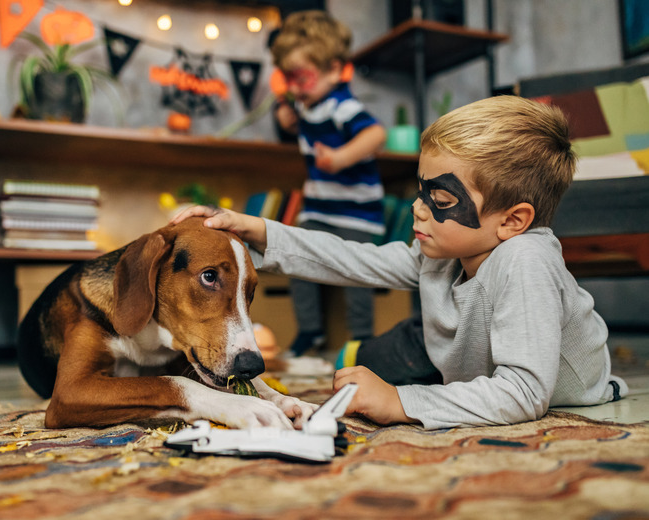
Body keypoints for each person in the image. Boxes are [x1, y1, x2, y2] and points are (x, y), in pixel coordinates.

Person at [172, 95, 628, 429]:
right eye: (421, 190)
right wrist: (261, 230)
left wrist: (401, 402)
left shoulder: (526, 262)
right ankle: (370, 353)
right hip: (461, 351)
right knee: (371, 361)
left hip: (550, 386)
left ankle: (398, 363)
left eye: (442, 198)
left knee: (394, 380)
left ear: (513, 221)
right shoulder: (444, 252)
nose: (418, 208)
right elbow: (356, 260)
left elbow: (526, 394)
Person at [270, 10, 387, 355]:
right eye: (287, 78)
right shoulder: (310, 106)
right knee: (296, 260)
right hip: (319, 209)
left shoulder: (342, 106)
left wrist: (340, 158)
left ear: (334, 69)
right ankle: (311, 331)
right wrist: (289, 122)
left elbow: (376, 133)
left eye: (301, 78)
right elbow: (306, 127)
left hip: (355, 213)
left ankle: (362, 337)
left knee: (357, 275)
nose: (293, 88)